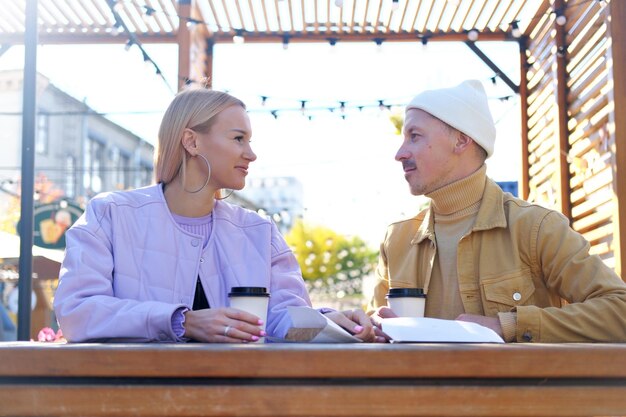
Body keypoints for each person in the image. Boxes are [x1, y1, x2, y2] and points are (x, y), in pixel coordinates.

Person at [53, 87, 375, 343]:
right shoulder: (110, 214)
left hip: (240, 402)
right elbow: (77, 311)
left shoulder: (259, 231)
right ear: (192, 141)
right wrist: (182, 321)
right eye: (238, 138)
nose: (251, 153)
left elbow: (281, 320)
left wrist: (330, 320)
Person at [368, 80, 626, 342]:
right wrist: (363, 327)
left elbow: (620, 311)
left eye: (415, 136)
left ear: (461, 140)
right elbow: (374, 329)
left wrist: (510, 325)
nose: (400, 153)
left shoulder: (537, 228)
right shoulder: (396, 239)